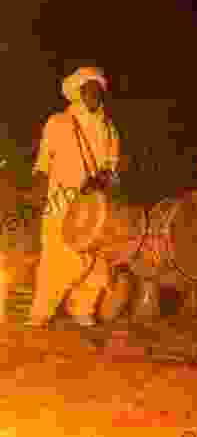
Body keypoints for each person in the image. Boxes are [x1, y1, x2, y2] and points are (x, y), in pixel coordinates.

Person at [29, 67, 121, 327]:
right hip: (61, 198)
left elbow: (112, 170)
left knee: (94, 258)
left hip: (94, 202)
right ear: (78, 93)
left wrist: (102, 179)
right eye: (88, 89)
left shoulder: (110, 130)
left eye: (98, 89)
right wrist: (38, 190)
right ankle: (41, 312)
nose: (93, 94)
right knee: (56, 254)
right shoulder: (58, 122)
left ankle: (83, 309)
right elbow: (43, 163)